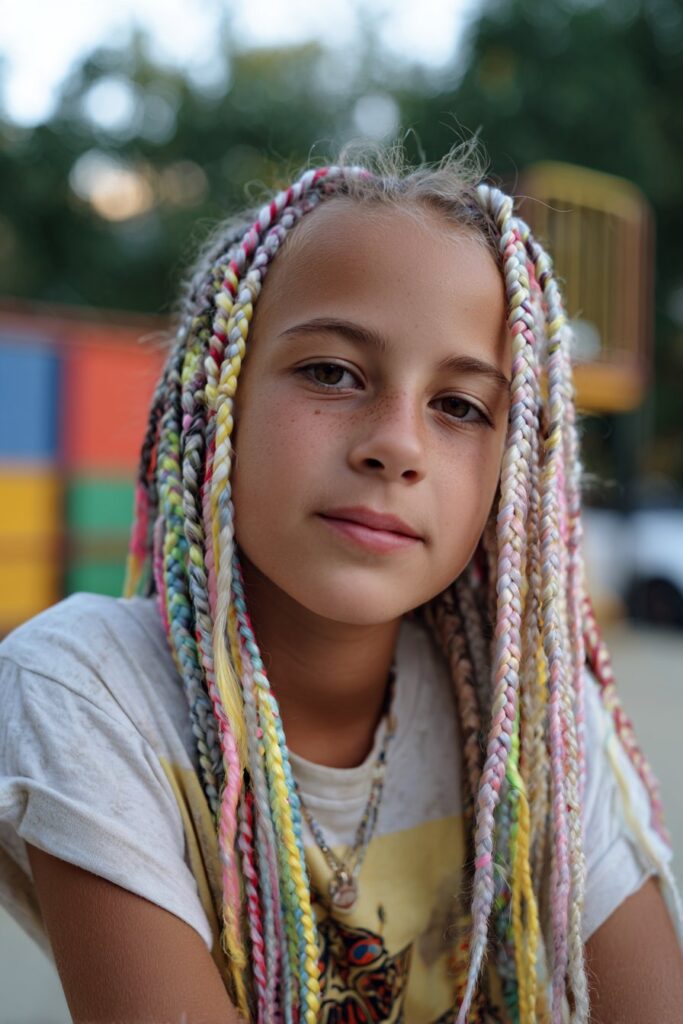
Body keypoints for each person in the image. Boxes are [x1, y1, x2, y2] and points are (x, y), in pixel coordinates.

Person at [0, 143, 681, 1024]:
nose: (395, 444)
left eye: (460, 406)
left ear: (511, 473)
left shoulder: (540, 728)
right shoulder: (86, 690)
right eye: (331, 372)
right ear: (219, 399)